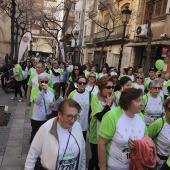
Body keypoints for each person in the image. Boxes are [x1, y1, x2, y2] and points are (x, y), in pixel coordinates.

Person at [25, 99, 86, 170]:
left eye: (75, 116)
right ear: (59, 114)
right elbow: (32, 155)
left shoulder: (77, 126)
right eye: (69, 116)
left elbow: (82, 154)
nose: (73, 120)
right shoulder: (46, 128)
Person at [98, 88, 148, 170]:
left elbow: (146, 137)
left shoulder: (140, 116)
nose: (142, 104)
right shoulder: (111, 116)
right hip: (113, 167)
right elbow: (101, 144)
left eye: (142, 100)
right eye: (138, 101)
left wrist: (139, 145)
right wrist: (102, 167)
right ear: (128, 102)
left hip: (135, 166)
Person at [88, 76, 117, 170]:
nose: (111, 90)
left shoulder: (114, 98)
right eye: (108, 87)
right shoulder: (95, 98)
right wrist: (108, 104)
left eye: (112, 87)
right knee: (96, 159)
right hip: (96, 135)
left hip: (109, 135)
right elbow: (100, 117)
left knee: (103, 161)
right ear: (101, 88)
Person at [29, 73, 55, 143]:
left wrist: (53, 104)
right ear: (38, 82)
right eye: (42, 81)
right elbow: (37, 101)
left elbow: (53, 101)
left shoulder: (51, 90)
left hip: (47, 116)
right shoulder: (34, 90)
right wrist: (43, 91)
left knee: (46, 134)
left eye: (46, 81)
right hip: (36, 117)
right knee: (35, 133)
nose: (44, 83)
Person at [148, 98, 170, 170]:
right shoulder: (159, 123)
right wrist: (153, 155)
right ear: (166, 110)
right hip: (157, 162)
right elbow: (146, 140)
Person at [68, 76, 90, 140]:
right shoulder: (72, 94)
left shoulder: (90, 94)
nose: (82, 85)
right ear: (77, 84)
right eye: (80, 83)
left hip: (85, 124)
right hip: (73, 123)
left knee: (82, 140)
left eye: (84, 83)